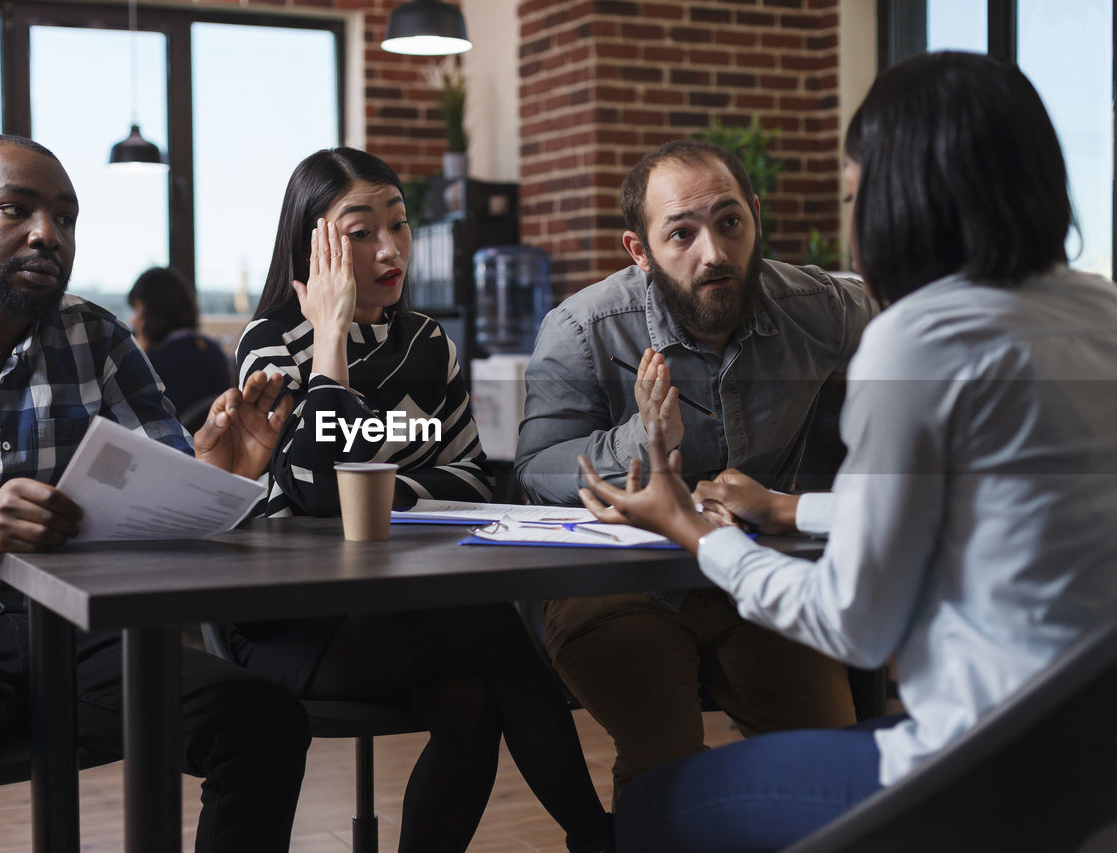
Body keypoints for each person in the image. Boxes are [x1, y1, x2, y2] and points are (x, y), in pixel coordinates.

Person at [575, 51, 1117, 852]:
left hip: (976, 773)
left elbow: (855, 621)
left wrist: (696, 530)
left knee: (654, 810)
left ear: (901, 201)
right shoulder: (1099, 310)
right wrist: (790, 506)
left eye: (857, 194)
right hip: (1095, 770)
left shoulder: (918, 339)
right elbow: (991, 500)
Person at [0, 135, 310, 853]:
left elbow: (170, 503)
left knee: (265, 719)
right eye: (15, 209)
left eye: (65, 217)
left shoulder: (100, 337)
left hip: (71, 627)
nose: (45, 233)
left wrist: (223, 471)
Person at [230, 147, 614, 853]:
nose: (389, 248)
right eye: (359, 231)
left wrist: (380, 494)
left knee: (470, 707)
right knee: (493, 629)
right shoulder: (272, 344)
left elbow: (471, 475)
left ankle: (596, 836)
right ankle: (597, 836)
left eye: (400, 225)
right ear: (312, 244)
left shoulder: (428, 345)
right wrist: (330, 339)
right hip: (291, 619)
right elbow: (316, 493)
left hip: (399, 603)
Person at [514, 137, 876, 798]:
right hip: (620, 578)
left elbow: (917, 333)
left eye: (729, 223)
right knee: (667, 760)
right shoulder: (583, 328)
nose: (713, 253)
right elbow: (534, 470)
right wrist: (639, 441)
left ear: (755, 218)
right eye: (682, 234)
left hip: (753, 571)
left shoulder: (821, 308)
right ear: (640, 250)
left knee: (831, 757)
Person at [128, 265, 235, 430]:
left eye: (137, 309)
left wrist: (139, 352)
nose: (133, 320)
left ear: (150, 312)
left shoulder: (154, 365)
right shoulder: (214, 350)